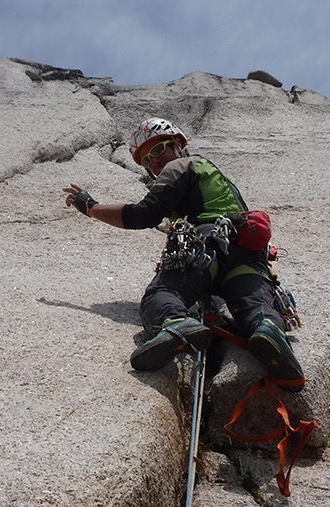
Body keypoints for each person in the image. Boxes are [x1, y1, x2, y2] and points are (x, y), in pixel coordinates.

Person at [63, 117, 304, 388]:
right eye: (145, 160)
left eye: (157, 150)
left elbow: (144, 214)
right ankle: (268, 328)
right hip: (246, 253)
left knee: (162, 294)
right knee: (254, 303)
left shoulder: (181, 165)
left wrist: (91, 207)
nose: (153, 162)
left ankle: (176, 323)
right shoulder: (220, 177)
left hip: (204, 246)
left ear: (177, 144)